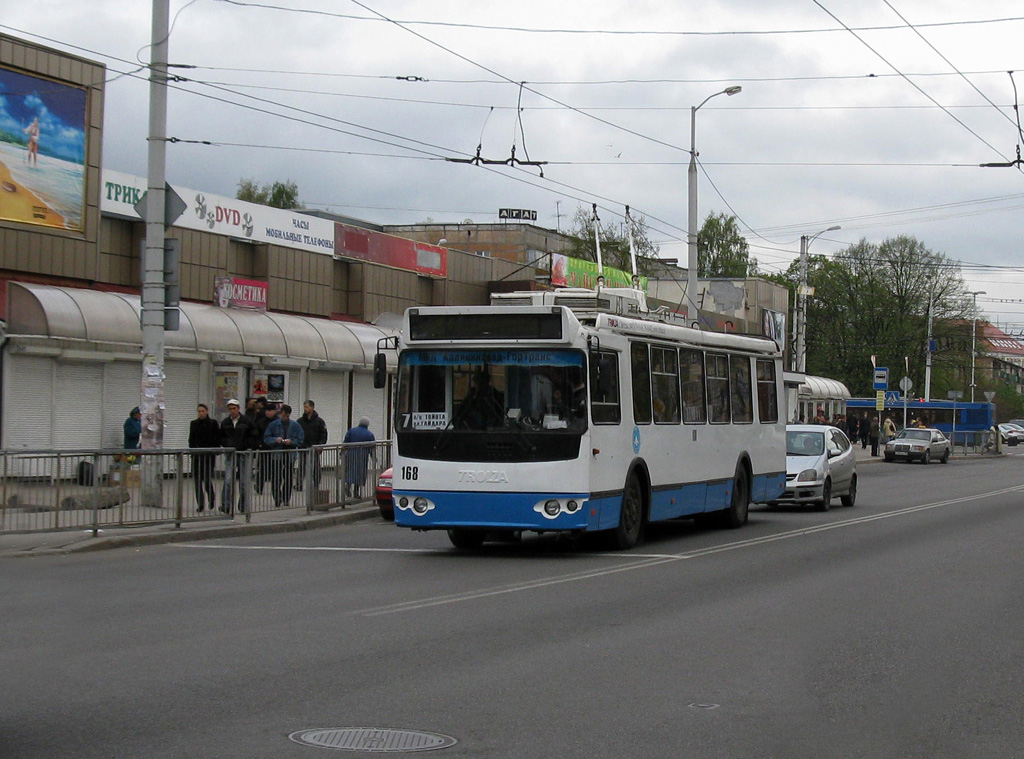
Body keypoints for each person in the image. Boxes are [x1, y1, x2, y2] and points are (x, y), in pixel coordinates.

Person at [263, 404, 304, 509]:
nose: (284, 417)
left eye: (286, 415)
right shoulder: (273, 425)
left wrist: (291, 442)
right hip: (277, 454)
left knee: (288, 478)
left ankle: (286, 498)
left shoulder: (295, 425)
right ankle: (277, 498)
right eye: (283, 415)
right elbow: (266, 438)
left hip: (289, 455)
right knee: (276, 477)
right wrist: (275, 440)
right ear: (280, 414)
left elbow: (300, 439)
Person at [220, 398, 256, 513]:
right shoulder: (225, 422)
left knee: (244, 482)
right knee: (228, 481)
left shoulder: (247, 421)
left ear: (238, 409)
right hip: (231, 454)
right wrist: (227, 445)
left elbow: (253, 435)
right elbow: (222, 436)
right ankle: (226, 505)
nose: (232, 411)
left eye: (234, 408)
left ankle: (243, 505)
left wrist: (247, 446)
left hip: (243, 453)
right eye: (230, 409)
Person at [188, 403, 220, 512]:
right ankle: (200, 504)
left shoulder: (213, 423)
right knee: (197, 480)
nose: (201, 413)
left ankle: (211, 497)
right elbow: (191, 439)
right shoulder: (194, 423)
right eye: (199, 411)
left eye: (203, 411)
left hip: (208, 455)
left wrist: (214, 451)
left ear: (207, 411)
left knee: (206, 479)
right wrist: (193, 450)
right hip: (197, 456)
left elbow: (216, 438)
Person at [296, 400, 328, 491]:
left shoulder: (319, 421)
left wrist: (321, 445)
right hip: (303, 447)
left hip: (314, 448)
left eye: (306, 407)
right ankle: (299, 484)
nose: (305, 409)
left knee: (316, 468)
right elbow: (297, 434)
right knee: (301, 467)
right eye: (304, 407)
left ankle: (316, 484)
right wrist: (299, 444)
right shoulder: (300, 421)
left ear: (312, 407)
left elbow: (323, 434)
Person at [343, 417, 376, 498]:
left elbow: (346, 441)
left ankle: (348, 486)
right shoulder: (369, 434)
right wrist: (373, 457)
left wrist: (342, 452)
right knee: (360, 473)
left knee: (350, 471)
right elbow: (372, 447)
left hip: (351, 454)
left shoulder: (351, 431)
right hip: (363, 456)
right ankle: (356, 492)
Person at [252, 402, 278, 496]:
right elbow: (257, 434)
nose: (268, 412)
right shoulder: (261, 421)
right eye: (267, 410)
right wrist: (258, 443)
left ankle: (275, 489)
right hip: (263, 448)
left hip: (274, 449)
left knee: (275, 470)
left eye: (270, 410)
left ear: (274, 411)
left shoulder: (278, 422)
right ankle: (259, 486)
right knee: (261, 469)